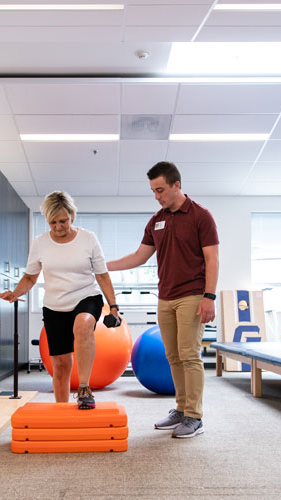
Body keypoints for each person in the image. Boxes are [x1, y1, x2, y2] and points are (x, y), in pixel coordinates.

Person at [107, 161, 219, 438]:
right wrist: (101, 265)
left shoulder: (201, 216)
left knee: (190, 354)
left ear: (176, 185)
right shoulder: (156, 220)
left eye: (160, 190)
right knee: (173, 356)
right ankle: (181, 410)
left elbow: (212, 259)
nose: (156, 196)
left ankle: (195, 417)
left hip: (192, 295)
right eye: (153, 191)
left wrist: (209, 296)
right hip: (165, 297)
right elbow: (138, 257)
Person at [0, 191, 120, 409]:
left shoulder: (88, 238)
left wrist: (113, 307)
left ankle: (84, 389)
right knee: (61, 365)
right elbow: (30, 277)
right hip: (54, 306)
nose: (58, 226)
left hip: (86, 296)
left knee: (82, 325)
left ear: (72, 215)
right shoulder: (40, 243)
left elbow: (102, 275)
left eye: (63, 220)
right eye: (52, 222)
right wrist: (15, 293)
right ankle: (62, 410)